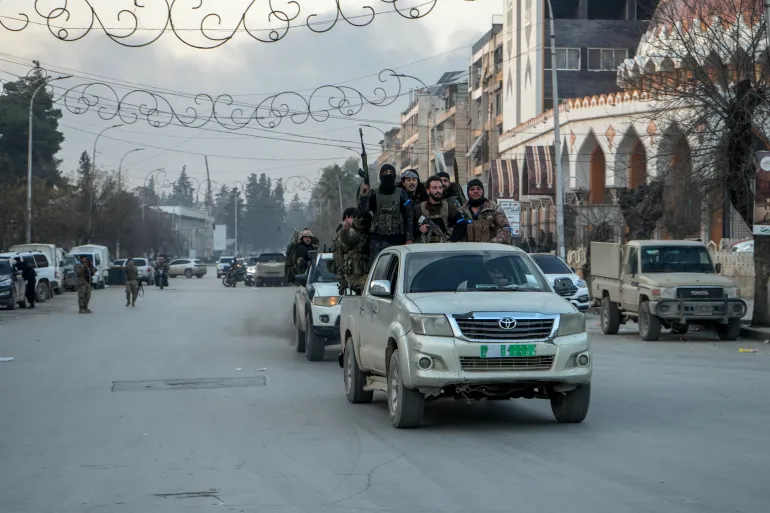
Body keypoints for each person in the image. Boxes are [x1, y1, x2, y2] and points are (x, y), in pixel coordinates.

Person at [359, 163, 414, 258]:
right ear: (381, 176)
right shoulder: (373, 194)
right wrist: (364, 195)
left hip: (398, 239)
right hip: (378, 239)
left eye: (390, 173)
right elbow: (362, 211)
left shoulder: (402, 194)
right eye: (385, 173)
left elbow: (409, 216)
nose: (388, 175)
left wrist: (409, 238)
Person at [415, 175, 469, 243]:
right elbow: (410, 227)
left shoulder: (450, 207)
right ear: (428, 191)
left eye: (440, 188)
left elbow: (462, 224)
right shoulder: (419, 208)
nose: (438, 190)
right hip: (424, 245)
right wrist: (419, 228)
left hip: (445, 243)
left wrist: (451, 240)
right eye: (434, 188)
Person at [463, 179, 512, 244]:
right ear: (468, 192)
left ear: (483, 191)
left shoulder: (494, 208)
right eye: (472, 189)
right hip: (468, 248)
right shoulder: (462, 211)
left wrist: (493, 243)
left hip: (490, 249)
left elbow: (506, 228)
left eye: (478, 189)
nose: (476, 191)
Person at [340, 212, 372, 295]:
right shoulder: (354, 234)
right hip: (357, 278)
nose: (362, 220)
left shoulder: (371, 234)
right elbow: (346, 240)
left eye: (364, 218)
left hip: (368, 275)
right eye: (359, 217)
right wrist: (345, 230)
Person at [332, 208, 357, 291]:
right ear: (346, 218)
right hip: (348, 275)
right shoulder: (343, 233)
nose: (355, 219)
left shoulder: (351, 231)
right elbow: (339, 258)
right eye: (352, 217)